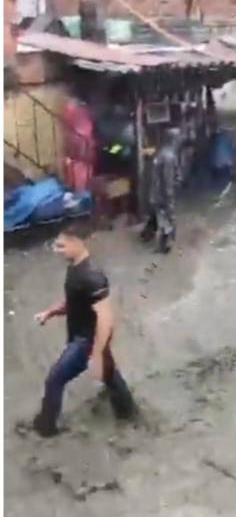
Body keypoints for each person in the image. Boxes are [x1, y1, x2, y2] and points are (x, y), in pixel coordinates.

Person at [32, 222, 136, 437]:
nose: (56, 251)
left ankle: (46, 429)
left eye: (61, 247)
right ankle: (130, 415)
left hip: (86, 341)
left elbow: (106, 320)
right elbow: (75, 302)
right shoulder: (75, 271)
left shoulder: (92, 277)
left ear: (77, 244)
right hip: (82, 338)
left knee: (55, 379)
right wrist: (50, 312)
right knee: (111, 377)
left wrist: (96, 353)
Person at [141, 127, 182, 254]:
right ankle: (163, 246)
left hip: (154, 191)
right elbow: (167, 180)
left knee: (156, 215)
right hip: (161, 195)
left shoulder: (161, 152)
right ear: (174, 140)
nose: (180, 140)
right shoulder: (169, 156)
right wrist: (169, 199)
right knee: (167, 220)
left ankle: (146, 235)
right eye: (178, 138)